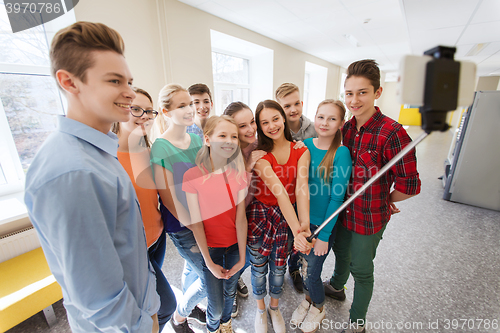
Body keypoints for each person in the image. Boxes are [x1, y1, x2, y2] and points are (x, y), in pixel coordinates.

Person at [24, 22, 160, 332]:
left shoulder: (97, 154)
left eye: (129, 81)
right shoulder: (73, 172)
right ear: (69, 82)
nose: (130, 93)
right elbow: (98, 294)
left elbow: (125, 247)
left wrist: (149, 304)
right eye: (114, 81)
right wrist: (144, 326)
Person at [323, 60, 421, 333]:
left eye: (362, 92)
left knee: (362, 268)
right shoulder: (346, 128)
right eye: (349, 93)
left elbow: (410, 184)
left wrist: (388, 201)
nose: (354, 100)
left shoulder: (393, 133)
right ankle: (336, 286)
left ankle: (357, 322)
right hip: (343, 210)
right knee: (341, 252)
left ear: (377, 92)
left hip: (370, 217)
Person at [112, 87, 176, 331]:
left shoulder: (148, 151)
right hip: (132, 248)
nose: (145, 116)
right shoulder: (108, 158)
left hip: (157, 239)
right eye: (136, 109)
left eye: (149, 111)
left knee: (147, 305)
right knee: (165, 305)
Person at [247, 100, 312, 333]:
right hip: (261, 215)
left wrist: (303, 226)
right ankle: (261, 309)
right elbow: (280, 193)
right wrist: (298, 232)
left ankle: (274, 308)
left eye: (275, 119)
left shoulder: (301, 150)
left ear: (284, 118)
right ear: (260, 126)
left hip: (288, 216)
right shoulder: (260, 154)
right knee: (258, 267)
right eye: (264, 122)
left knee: (278, 267)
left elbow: (301, 189)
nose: (271, 126)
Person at [290, 100, 352, 333]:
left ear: (341, 124)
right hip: (301, 222)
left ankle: (318, 306)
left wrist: (325, 236)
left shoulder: (341, 153)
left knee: (312, 273)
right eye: (321, 117)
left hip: (323, 225)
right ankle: (307, 301)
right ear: (313, 118)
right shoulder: (304, 145)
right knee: (303, 266)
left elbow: (337, 200)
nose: (324, 123)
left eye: (332, 118)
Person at [183, 115, 248, 333]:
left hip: (233, 249)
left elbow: (240, 219)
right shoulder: (192, 176)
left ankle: (226, 324)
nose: (229, 141)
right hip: (210, 250)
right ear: (208, 139)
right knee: (217, 307)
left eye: (234, 136)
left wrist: (241, 257)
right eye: (223, 135)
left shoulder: (240, 175)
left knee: (230, 293)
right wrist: (209, 262)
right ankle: (213, 327)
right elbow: (197, 224)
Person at [150, 84, 206, 333]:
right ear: (166, 111)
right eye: (182, 105)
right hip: (182, 224)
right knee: (208, 277)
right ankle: (180, 315)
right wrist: (192, 222)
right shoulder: (161, 146)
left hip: (202, 216)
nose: (190, 109)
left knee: (190, 266)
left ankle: (188, 307)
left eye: (190, 104)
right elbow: (167, 196)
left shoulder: (195, 139)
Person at [275, 83, 317, 293]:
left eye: (296, 103)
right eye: (286, 106)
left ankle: (294, 267)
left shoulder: (313, 128)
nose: (292, 110)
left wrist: (307, 146)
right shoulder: (277, 128)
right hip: (283, 189)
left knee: (301, 232)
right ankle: (279, 268)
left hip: (305, 188)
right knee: (286, 235)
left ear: (302, 102)